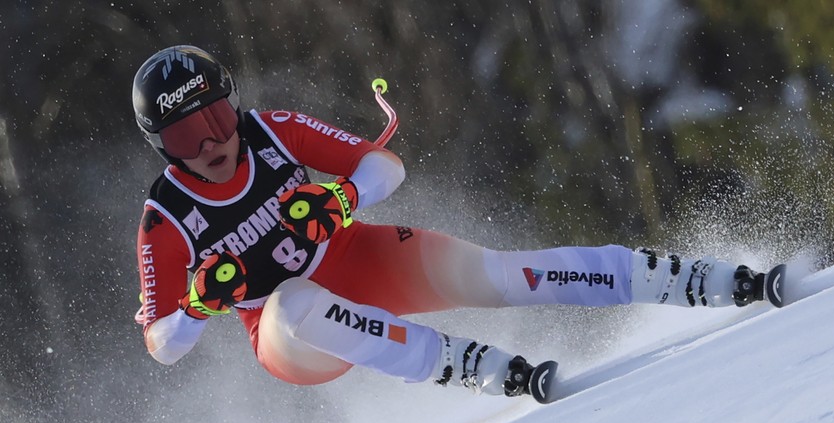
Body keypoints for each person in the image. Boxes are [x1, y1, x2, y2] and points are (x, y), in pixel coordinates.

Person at [133, 45, 769, 402]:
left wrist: (342, 199)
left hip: (361, 258)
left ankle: (699, 280)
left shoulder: (272, 130)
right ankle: (476, 367)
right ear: (163, 147)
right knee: (297, 300)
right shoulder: (165, 220)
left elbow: (386, 167)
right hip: (291, 336)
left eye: (216, 117)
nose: (212, 141)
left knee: (497, 274)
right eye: (188, 133)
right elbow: (163, 346)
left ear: (233, 105)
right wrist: (194, 306)